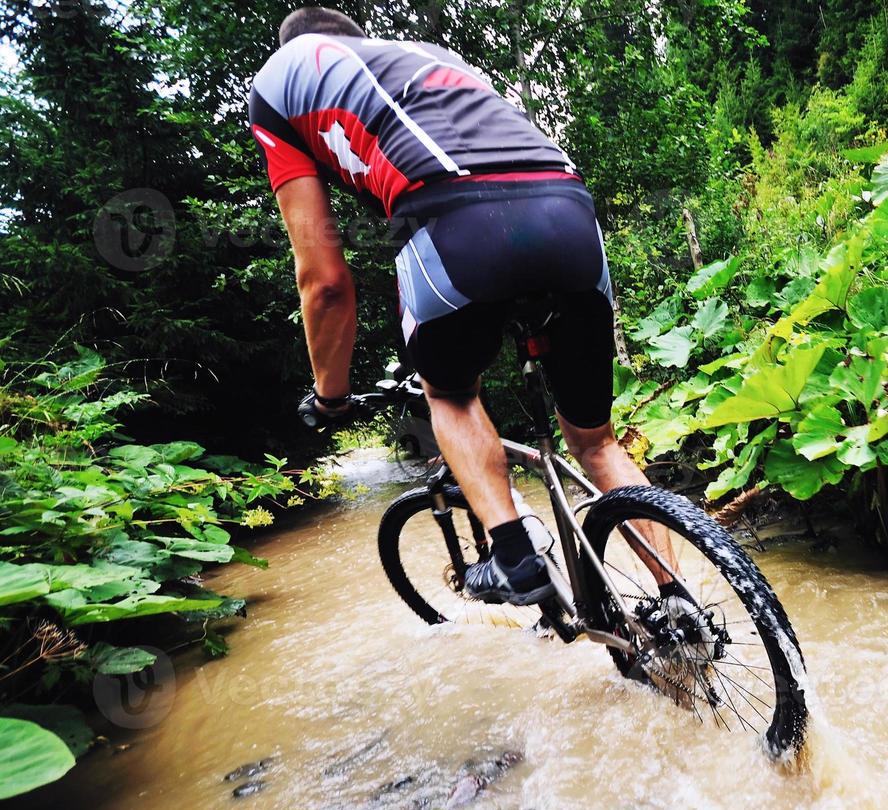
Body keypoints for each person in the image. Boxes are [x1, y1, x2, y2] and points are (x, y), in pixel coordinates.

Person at [248, 7, 664, 606]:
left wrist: (330, 396)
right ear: (361, 40)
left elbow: (326, 282)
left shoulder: (278, 81)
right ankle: (678, 605)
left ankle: (515, 557)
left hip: (453, 216)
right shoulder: (430, 54)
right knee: (595, 441)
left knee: (451, 393)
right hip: (569, 206)